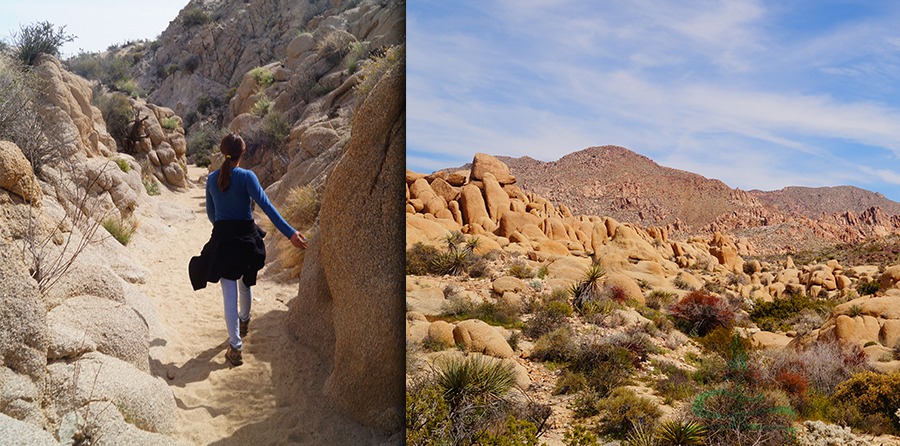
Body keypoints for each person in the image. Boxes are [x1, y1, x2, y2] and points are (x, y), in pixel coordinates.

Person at [188, 133, 307, 366]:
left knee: (229, 294)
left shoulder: (212, 179)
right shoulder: (247, 177)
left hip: (224, 240)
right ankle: (245, 321)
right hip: (247, 240)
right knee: (245, 283)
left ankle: (235, 347)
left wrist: (226, 229)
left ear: (223, 153)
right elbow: (268, 207)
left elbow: (213, 216)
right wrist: (291, 233)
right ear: (243, 153)